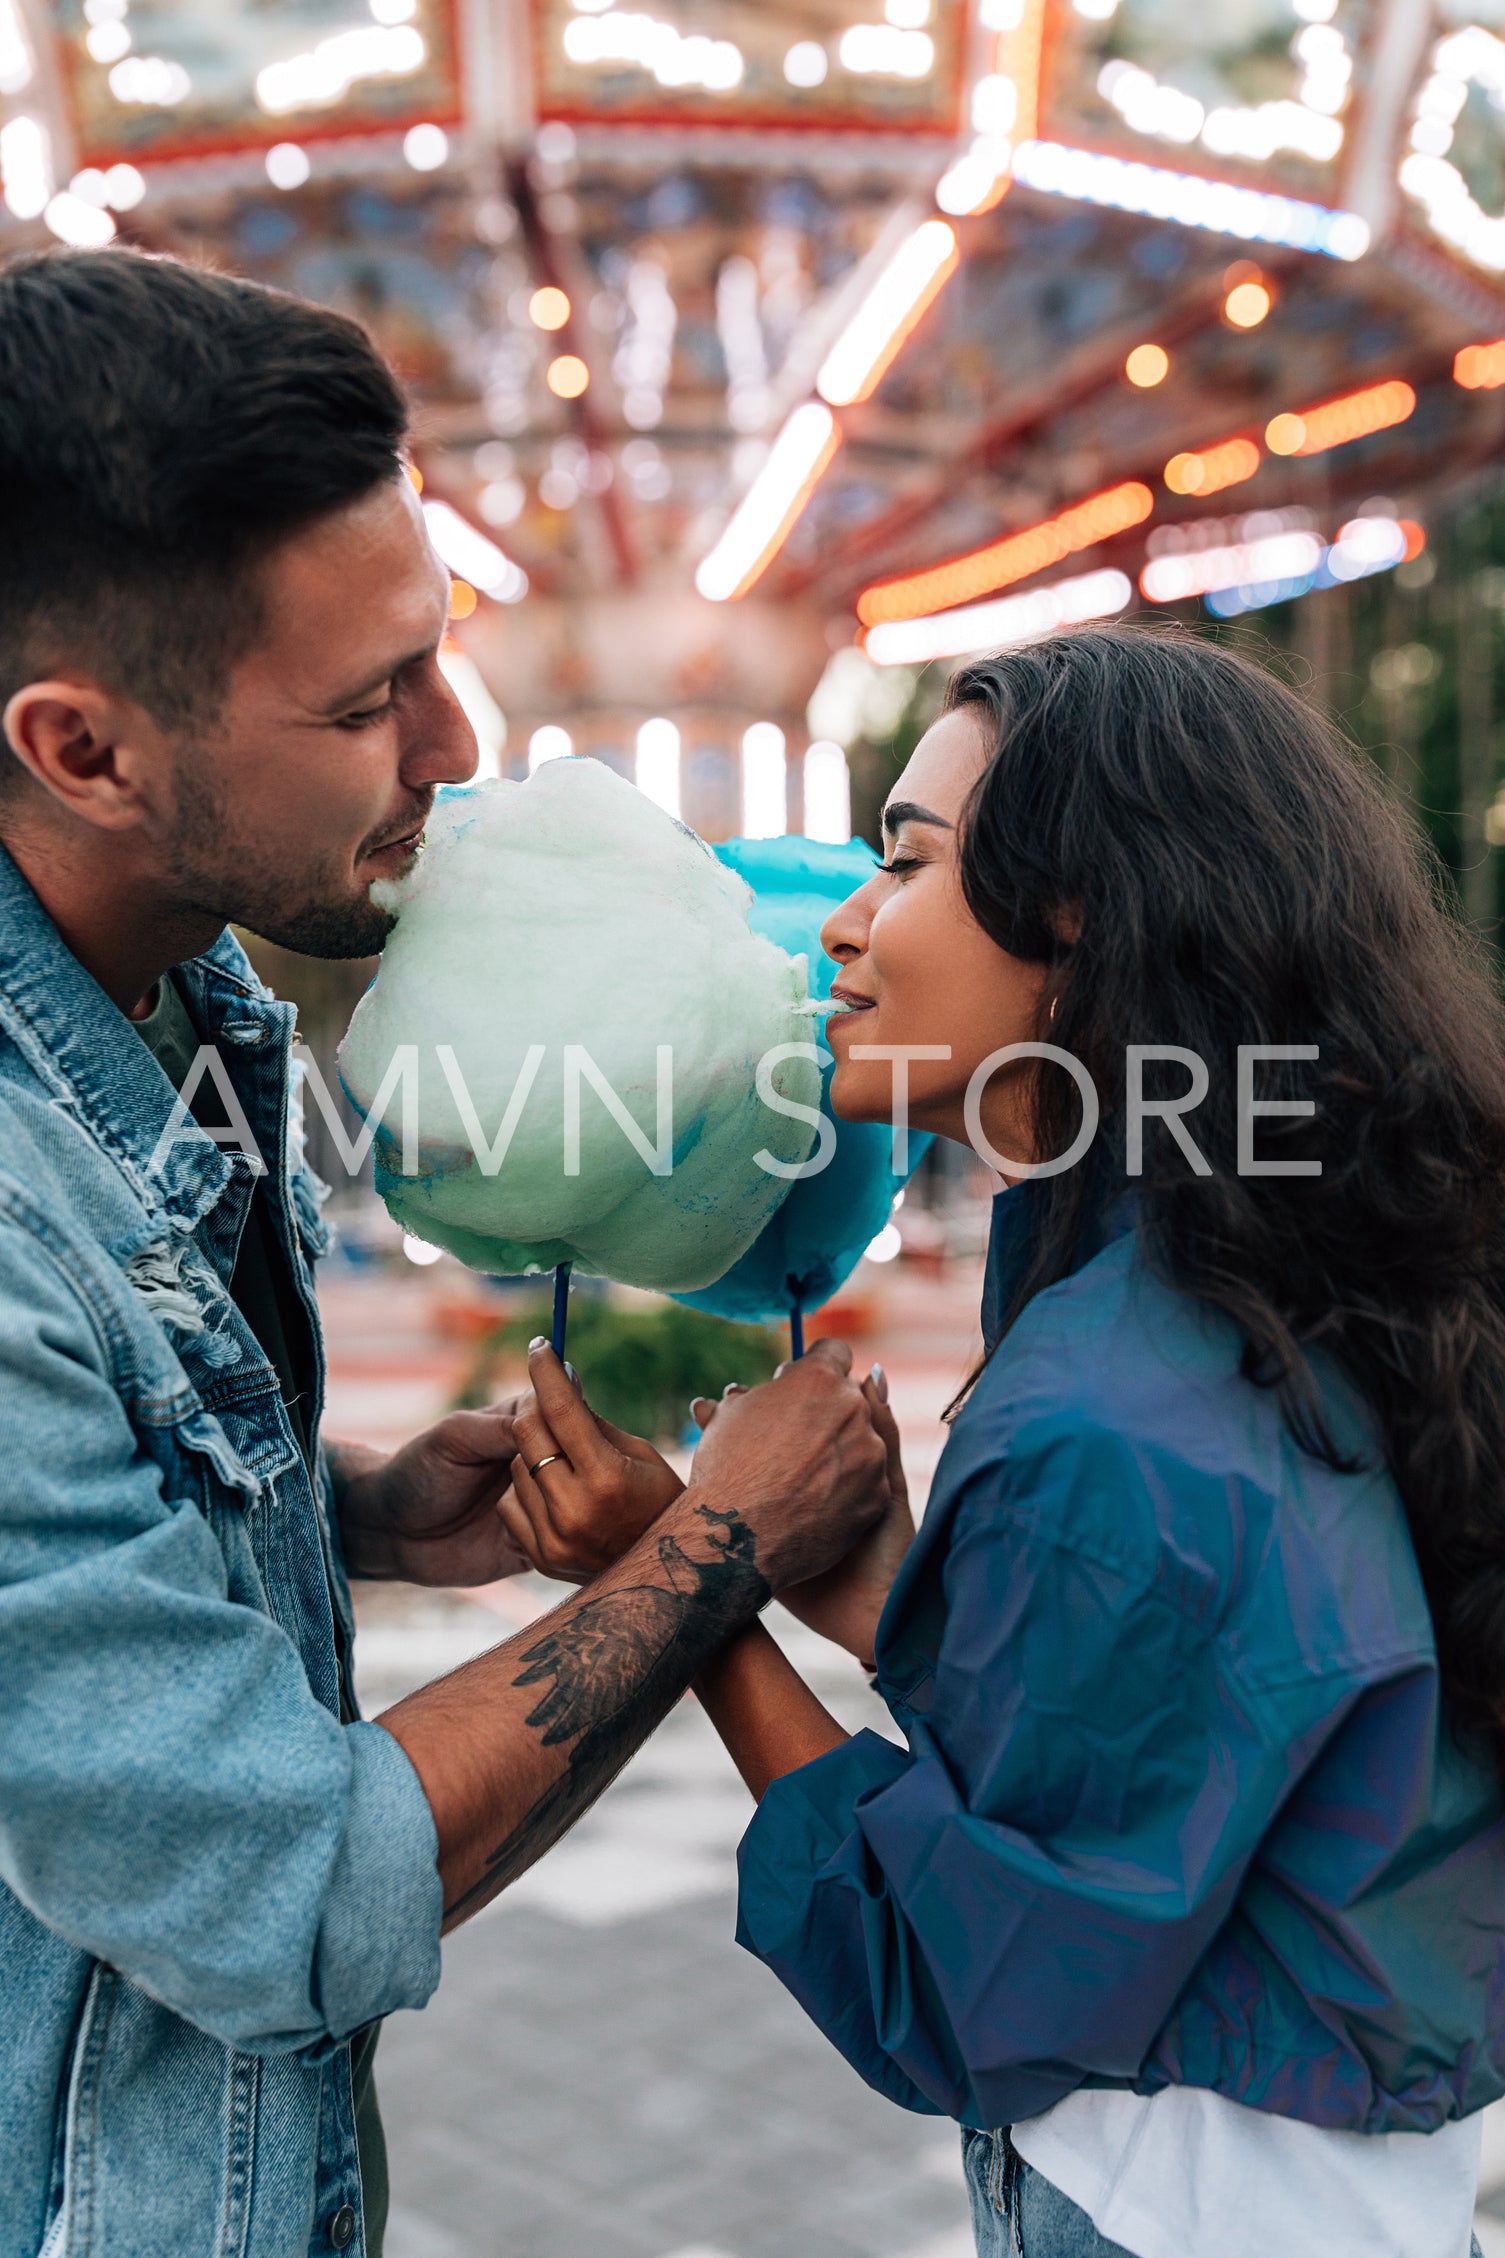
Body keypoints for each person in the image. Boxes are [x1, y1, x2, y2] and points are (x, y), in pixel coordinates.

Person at [0, 245, 892, 2258]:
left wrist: (362, 1519)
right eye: (368, 697)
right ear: (84, 750)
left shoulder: (189, 998)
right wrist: (713, 1547)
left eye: (438, 648)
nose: (462, 746)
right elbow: (287, 1891)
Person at [504, 627, 1505, 2258]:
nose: (836, 920)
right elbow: (1178, 1746)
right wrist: (887, 1581)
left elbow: (966, 1989)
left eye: (900, 861)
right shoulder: (1260, 1290)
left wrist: (688, 1580)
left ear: (1079, 915)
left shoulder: (1115, 1403)